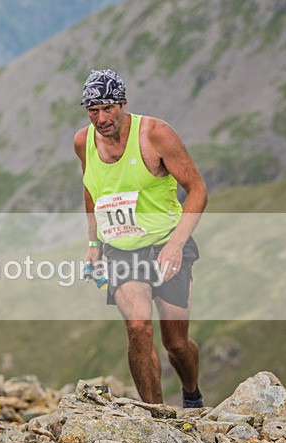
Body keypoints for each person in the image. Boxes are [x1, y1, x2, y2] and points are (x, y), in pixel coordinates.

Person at [73, 69, 207, 408]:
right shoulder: (83, 142)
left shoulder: (156, 134)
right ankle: (155, 416)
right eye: (93, 110)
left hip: (166, 243)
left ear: (123, 104)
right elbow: (92, 190)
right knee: (138, 327)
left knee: (175, 343)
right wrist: (93, 245)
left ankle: (191, 394)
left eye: (107, 108)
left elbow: (198, 191)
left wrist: (176, 246)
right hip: (120, 249)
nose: (100, 118)